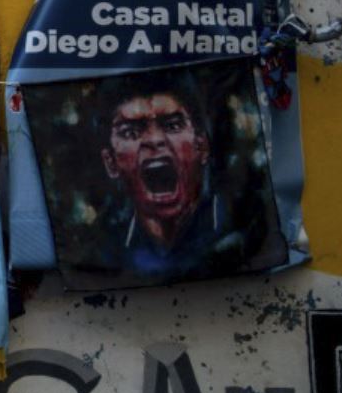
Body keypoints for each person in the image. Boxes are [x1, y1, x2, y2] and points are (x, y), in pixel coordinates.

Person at [95, 75, 247, 282]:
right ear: (111, 162)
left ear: (201, 147)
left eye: (173, 125)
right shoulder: (104, 252)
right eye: (131, 132)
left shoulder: (240, 227)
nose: (155, 140)